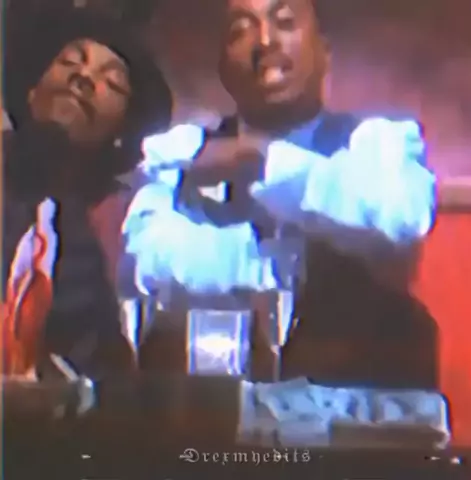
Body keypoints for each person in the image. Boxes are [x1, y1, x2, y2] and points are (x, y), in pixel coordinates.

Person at [122, 0, 438, 388]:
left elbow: (400, 217)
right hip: (213, 406)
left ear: (324, 51)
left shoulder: (379, 142)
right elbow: (148, 264)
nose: (265, 41)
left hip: (348, 409)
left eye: (284, 22)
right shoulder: (183, 151)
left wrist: (263, 162)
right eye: (241, 30)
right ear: (223, 67)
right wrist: (300, 252)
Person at [2, 8, 173, 379]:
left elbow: (98, 375)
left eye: (112, 83)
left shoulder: (87, 253)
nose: (83, 77)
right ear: (31, 92)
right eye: (69, 62)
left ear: (120, 132)